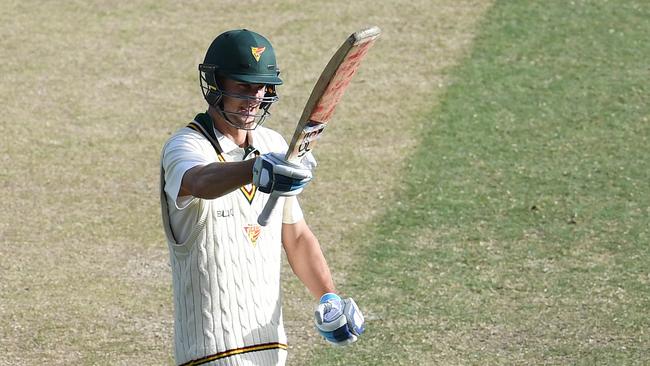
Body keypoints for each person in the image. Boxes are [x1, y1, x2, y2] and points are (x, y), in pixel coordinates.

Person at [159, 29, 365, 366]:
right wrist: (256, 169)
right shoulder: (185, 146)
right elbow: (199, 182)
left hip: (270, 349)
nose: (255, 97)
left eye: (261, 87)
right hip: (211, 353)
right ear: (215, 85)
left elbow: (296, 237)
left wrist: (328, 296)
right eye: (242, 85)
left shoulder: (272, 145)